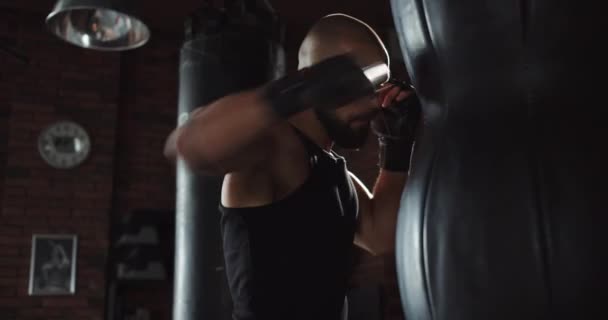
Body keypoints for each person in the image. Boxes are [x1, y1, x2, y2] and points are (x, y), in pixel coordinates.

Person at [164, 13, 421, 320]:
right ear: (324, 80)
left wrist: (397, 147)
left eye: (377, 89)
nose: (371, 105)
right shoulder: (273, 148)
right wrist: (297, 89)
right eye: (359, 86)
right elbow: (190, 145)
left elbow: (380, 235)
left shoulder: (333, 172)